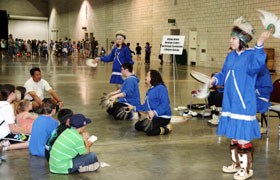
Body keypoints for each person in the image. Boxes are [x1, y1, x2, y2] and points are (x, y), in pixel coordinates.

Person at [209, 16, 272, 180]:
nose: (230, 40)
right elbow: (224, 73)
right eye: (231, 37)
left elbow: (258, 65)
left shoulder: (252, 55)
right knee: (234, 136)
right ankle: (236, 165)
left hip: (244, 104)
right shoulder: (231, 56)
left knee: (244, 138)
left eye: (233, 38)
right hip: (230, 103)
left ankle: (246, 169)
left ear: (242, 40)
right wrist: (215, 79)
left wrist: (260, 43)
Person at [129, 70, 173, 136]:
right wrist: (134, 108)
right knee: (137, 126)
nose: (145, 78)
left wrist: (154, 112)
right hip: (153, 117)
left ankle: (167, 128)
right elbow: (146, 106)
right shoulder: (150, 90)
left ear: (152, 77)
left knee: (149, 131)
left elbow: (165, 104)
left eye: (147, 76)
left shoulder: (161, 88)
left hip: (163, 117)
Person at [0, 84, 30, 151]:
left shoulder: (2, 104)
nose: (16, 94)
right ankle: (5, 147)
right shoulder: (7, 107)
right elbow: (13, 129)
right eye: (15, 92)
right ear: (11, 93)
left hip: (6, 133)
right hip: (4, 136)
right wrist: (29, 131)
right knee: (32, 140)